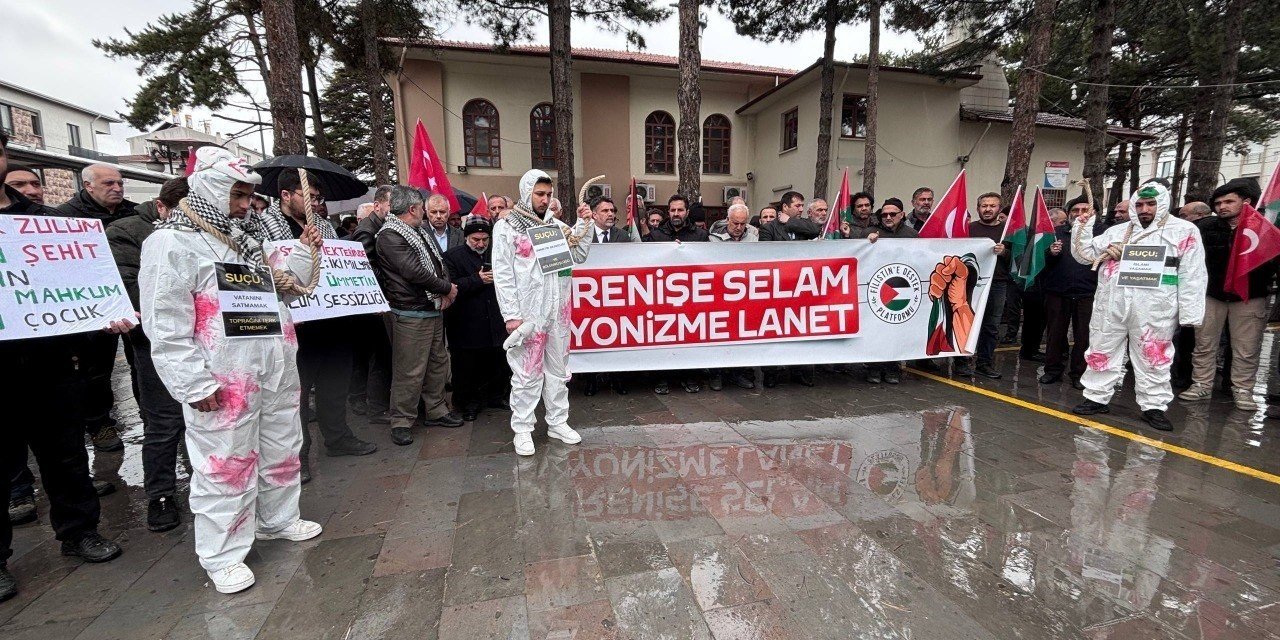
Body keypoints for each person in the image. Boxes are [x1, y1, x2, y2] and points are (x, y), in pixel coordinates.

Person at [139, 147, 324, 594]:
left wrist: (303, 251)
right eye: (237, 195)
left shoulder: (245, 241)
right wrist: (192, 382)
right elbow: (164, 322)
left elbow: (286, 290)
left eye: (247, 196)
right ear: (210, 189)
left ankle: (278, 519)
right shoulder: (171, 243)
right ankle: (222, 555)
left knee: (282, 448)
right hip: (224, 379)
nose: (246, 205)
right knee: (225, 463)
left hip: (273, 368)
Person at [1, 133, 124, 603]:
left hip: (52, 362)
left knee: (66, 453)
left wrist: (103, 313)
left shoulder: (48, 224)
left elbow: (79, 283)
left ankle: (79, 532)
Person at [249, 171, 377, 475]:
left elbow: (337, 269)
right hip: (297, 325)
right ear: (285, 195)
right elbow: (270, 272)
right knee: (298, 392)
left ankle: (338, 437)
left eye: (319, 198)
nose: (316, 203)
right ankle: (299, 454)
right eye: (310, 196)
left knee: (336, 383)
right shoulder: (263, 226)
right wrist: (300, 247)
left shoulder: (323, 226)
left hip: (331, 319)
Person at [1070, 182, 1207, 431]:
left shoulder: (1183, 231)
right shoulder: (1118, 232)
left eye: (1151, 204)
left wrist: (1190, 313)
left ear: (1163, 204)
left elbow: (1193, 274)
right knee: (1102, 347)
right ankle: (1096, 397)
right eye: (1140, 204)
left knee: (1154, 355)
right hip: (1112, 302)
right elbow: (1083, 254)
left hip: (1155, 306)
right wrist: (1084, 225)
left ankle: (1153, 406)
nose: (1145, 209)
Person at [106, 176, 192, 532]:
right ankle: (160, 495)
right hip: (154, 343)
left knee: (202, 417)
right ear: (163, 207)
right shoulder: (125, 232)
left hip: (202, 339)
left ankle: (208, 479)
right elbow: (128, 290)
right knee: (165, 421)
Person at [492, 169, 594, 456]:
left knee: (558, 371)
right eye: (540, 194)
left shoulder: (556, 227)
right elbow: (502, 273)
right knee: (527, 372)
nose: (545, 200)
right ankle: (523, 428)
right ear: (527, 192)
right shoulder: (508, 227)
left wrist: (585, 224)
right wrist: (511, 314)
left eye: (548, 194)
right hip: (529, 314)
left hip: (557, 313)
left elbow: (580, 254)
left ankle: (557, 422)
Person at [57, 164, 140, 452]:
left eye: (120, 183)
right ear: (88, 186)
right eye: (109, 183)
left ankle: (151, 416)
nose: (117, 188)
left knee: (141, 361)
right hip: (94, 305)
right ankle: (100, 424)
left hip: (134, 300)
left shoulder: (134, 212)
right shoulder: (65, 217)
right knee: (96, 369)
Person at [1179, 179, 1274, 411]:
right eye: (1218, 202)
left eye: (1229, 201)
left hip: (1250, 296)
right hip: (1212, 294)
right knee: (1204, 343)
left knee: (1246, 347)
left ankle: (1243, 389)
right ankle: (1201, 383)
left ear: (1247, 202)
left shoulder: (1265, 228)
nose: (1222, 206)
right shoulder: (1205, 228)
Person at [376, 187, 461, 446]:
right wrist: (447, 288)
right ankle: (401, 420)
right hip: (410, 312)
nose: (426, 213)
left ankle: (436, 410)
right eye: (424, 209)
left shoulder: (417, 231)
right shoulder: (390, 236)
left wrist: (444, 289)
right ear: (413, 209)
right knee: (410, 370)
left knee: (437, 363)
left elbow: (437, 264)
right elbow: (413, 272)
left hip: (430, 309)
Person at [443, 220, 512, 421]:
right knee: (467, 368)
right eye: (476, 239)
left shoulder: (498, 253)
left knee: (496, 362)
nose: (481, 244)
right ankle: (468, 404)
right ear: (466, 238)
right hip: (466, 324)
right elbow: (449, 286)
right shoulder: (452, 257)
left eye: (485, 239)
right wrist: (477, 280)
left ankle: (496, 397)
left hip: (495, 321)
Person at [646, 195, 708, 393]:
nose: (676, 214)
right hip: (663, 297)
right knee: (663, 339)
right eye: (672, 210)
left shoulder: (700, 235)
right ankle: (661, 378)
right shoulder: (656, 236)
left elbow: (708, 263)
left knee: (689, 339)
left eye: (680, 210)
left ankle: (689, 377)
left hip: (691, 297)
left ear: (687, 212)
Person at [1039, 195, 1101, 389]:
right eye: (1075, 210)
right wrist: (1051, 253)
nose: (1080, 214)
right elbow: (1041, 262)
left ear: (1094, 213)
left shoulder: (1102, 233)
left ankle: (1079, 373)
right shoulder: (1057, 232)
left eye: (1085, 210)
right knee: (1055, 334)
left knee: (1084, 336)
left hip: (1089, 293)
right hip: (1058, 291)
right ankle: (1052, 370)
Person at [349, 185, 395, 427]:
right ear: (377, 205)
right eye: (391, 204)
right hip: (373, 306)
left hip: (379, 302)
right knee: (380, 355)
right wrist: (390, 276)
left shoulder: (380, 227)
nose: (394, 209)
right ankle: (377, 408)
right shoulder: (367, 230)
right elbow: (365, 269)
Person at [955, 192, 1009, 379]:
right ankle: (961, 362)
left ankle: (985, 363)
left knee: (991, 326)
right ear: (978, 209)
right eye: (984, 206)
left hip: (997, 284)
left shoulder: (1007, 231)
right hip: (970, 284)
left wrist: (1004, 253)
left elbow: (1018, 260)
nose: (987, 209)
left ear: (999, 209)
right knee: (965, 323)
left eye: (992, 206)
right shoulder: (968, 230)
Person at [865, 199, 917, 384]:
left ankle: (893, 368)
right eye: (884, 214)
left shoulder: (912, 235)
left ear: (902, 215)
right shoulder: (869, 233)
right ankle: (874, 368)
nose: (887, 217)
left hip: (903, 287)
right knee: (876, 330)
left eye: (892, 214)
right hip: (876, 289)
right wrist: (867, 243)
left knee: (897, 329)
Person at [708, 203, 759, 390]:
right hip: (720, 297)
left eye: (742, 224)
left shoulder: (754, 240)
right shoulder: (713, 240)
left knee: (743, 338)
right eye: (735, 223)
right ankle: (717, 375)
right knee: (719, 338)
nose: (738, 228)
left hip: (745, 297)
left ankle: (740, 374)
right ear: (727, 220)